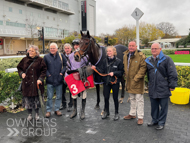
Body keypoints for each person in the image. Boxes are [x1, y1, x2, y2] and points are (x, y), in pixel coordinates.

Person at [145, 43, 178, 130]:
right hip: (153, 87)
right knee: (154, 105)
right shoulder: (148, 60)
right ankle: (154, 120)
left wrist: (172, 85)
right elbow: (147, 74)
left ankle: (161, 123)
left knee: (163, 107)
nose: (154, 50)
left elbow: (172, 73)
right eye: (152, 49)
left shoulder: (167, 59)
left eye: (156, 48)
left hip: (163, 87)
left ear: (160, 49)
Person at [91, 46, 124, 121]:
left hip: (115, 82)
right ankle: (107, 112)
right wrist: (95, 68)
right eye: (107, 51)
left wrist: (114, 73)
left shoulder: (118, 61)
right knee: (106, 97)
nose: (108, 53)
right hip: (106, 82)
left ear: (114, 52)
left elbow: (121, 72)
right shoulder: (104, 61)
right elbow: (102, 70)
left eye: (110, 51)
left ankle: (116, 113)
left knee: (115, 98)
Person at [17, 45, 47, 121]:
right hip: (27, 84)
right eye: (29, 50)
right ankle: (29, 114)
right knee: (28, 100)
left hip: (37, 84)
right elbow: (19, 68)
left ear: (36, 52)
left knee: (36, 100)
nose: (30, 52)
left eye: (32, 51)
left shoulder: (40, 60)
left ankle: (37, 114)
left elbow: (44, 70)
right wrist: (21, 74)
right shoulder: (24, 59)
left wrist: (40, 79)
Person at [123, 41, 147, 125]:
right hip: (129, 81)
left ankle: (140, 117)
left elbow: (143, 68)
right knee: (132, 99)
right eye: (129, 46)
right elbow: (125, 66)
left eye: (133, 46)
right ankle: (132, 114)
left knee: (139, 100)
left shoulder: (141, 56)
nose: (131, 47)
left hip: (138, 82)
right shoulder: (125, 55)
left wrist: (136, 78)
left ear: (136, 46)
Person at [66, 38, 89, 120]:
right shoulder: (70, 56)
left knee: (83, 95)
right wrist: (67, 79)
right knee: (74, 95)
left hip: (82, 77)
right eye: (75, 45)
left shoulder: (86, 56)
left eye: (77, 45)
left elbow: (88, 65)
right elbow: (68, 67)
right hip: (73, 78)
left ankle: (82, 111)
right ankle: (74, 110)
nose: (76, 47)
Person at [44, 43, 67, 118]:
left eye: (54, 48)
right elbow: (44, 68)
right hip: (50, 80)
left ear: (57, 49)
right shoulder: (46, 57)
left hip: (59, 79)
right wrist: (48, 75)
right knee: (49, 97)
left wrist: (61, 73)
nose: (52, 49)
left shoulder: (61, 56)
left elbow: (65, 65)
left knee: (59, 96)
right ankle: (48, 110)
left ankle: (57, 109)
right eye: (51, 48)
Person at [60, 43, 73, 112]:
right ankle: (63, 104)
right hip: (63, 75)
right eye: (65, 48)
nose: (67, 50)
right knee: (62, 90)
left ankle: (70, 105)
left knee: (71, 91)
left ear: (71, 49)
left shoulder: (74, 55)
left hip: (71, 75)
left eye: (68, 48)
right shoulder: (61, 56)